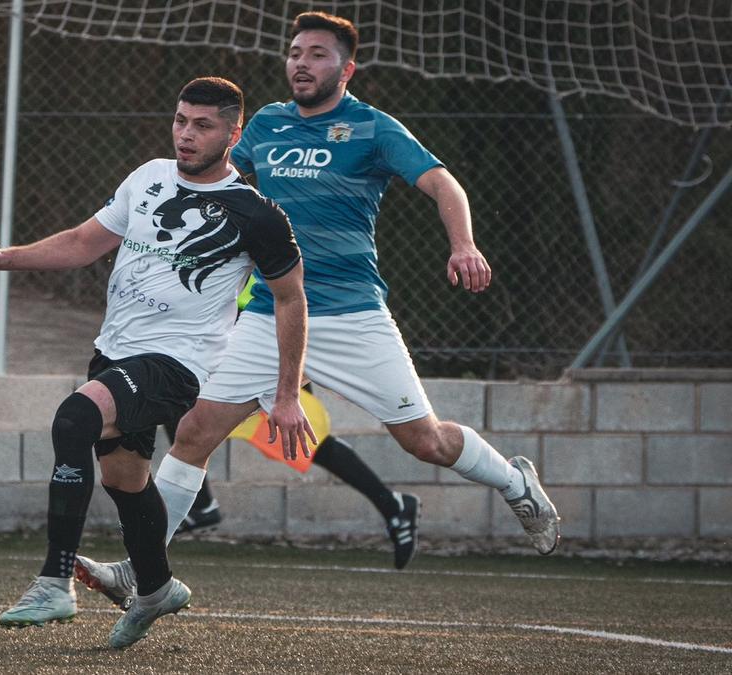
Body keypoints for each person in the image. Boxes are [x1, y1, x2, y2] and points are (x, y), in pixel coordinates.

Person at [76, 11, 562, 616]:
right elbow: (213, 182)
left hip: (353, 313)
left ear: (346, 68)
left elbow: (445, 186)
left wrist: (463, 243)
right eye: (296, 52)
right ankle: (141, 570)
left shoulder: (373, 128)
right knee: (196, 432)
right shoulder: (267, 125)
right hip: (266, 312)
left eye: (318, 55)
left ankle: (517, 484)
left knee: (425, 442)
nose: (302, 63)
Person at [0, 76, 311, 649]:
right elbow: (85, 241)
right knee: (125, 479)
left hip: (179, 363)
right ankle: (157, 587)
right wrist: (3, 259)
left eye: (203, 126)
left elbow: (291, 298)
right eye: (181, 121)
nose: (187, 135)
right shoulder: (147, 176)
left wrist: (285, 395)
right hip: (114, 351)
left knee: (74, 418)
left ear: (233, 133)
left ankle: (53, 579)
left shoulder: (257, 214)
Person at [169, 276, 422, 571]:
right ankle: (201, 504)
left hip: (271, 325)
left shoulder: (279, 234)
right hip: (256, 322)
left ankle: (393, 505)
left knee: (306, 438)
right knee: (183, 406)